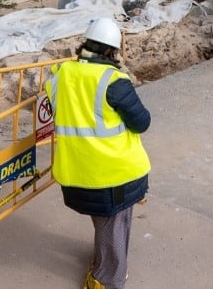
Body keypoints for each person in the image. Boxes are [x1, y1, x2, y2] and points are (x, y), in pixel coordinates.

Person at [45, 17, 151, 289]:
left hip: (76, 173)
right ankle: (108, 279)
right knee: (113, 224)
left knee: (105, 222)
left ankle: (105, 259)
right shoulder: (114, 81)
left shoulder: (61, 74)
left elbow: (58, 104)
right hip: (115, 175)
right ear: (112, 51)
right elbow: (142, 122)